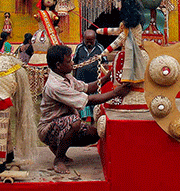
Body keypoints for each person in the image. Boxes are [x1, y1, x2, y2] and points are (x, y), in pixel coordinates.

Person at [39, 44, 130, 174]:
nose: (72, 63)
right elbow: (89, 100)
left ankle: (57, 146)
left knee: (94, 135)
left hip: (61, 123)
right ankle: (58, 159)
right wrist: (116, 93)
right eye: (69, 61)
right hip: (48, 128)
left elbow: (88, 87)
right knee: (74, 122)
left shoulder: (66, 76)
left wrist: (107, 77)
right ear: (58, 65)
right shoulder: (55, 85)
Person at [73, 29, 105, 122]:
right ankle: (82, 118)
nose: (89, 43)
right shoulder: (79, 47)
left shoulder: (100, 48)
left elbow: (105, 61)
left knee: (94, 100)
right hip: (81, 79)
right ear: (83, 39)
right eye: (87, 41)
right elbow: (75, 62)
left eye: (91, 41)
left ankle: (93, 119)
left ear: (95, 39)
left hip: (94, 80)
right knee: (82, 99)